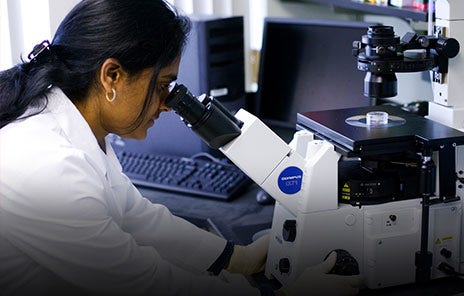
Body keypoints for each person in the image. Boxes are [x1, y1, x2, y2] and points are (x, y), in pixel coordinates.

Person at [0, 0, 362, 295]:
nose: (168, 104)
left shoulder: (71, 127)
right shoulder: (44, 164)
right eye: (162, 86)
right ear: (111, 76)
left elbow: (136, 215)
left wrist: (237, 257)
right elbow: (143, 282)